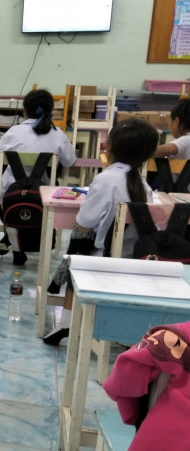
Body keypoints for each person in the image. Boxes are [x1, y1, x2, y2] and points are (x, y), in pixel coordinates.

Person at [44, 118, 158, 345]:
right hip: (133, 260)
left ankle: (66, 321)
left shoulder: (106, 179)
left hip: (104, 260)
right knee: (80, 248)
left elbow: (84, 223)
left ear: (110, 147)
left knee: (76, 250)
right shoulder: (144, 186)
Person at [0, 89, 76, 265]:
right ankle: (33, 241)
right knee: (38, 207)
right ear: (50, 110)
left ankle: (14, 239)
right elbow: (70, 161)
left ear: (25, 111)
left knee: (9, 198)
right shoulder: (57, 134)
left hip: (10, 196)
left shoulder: (14, 131)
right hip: (43, 197)